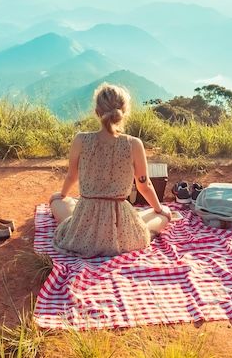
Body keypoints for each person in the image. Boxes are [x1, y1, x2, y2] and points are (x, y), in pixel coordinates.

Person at [49, 83, 172, 257]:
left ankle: (72, 215)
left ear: (97, 111)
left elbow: (72, 176)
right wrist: (159, 209)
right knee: (161, 214)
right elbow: (145, 186)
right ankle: (157, 216)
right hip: (120, 224)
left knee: (57, 201)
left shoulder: (81, 140)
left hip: (85, 221)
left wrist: (61, 195)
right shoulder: (134, 144)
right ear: (124, 112)